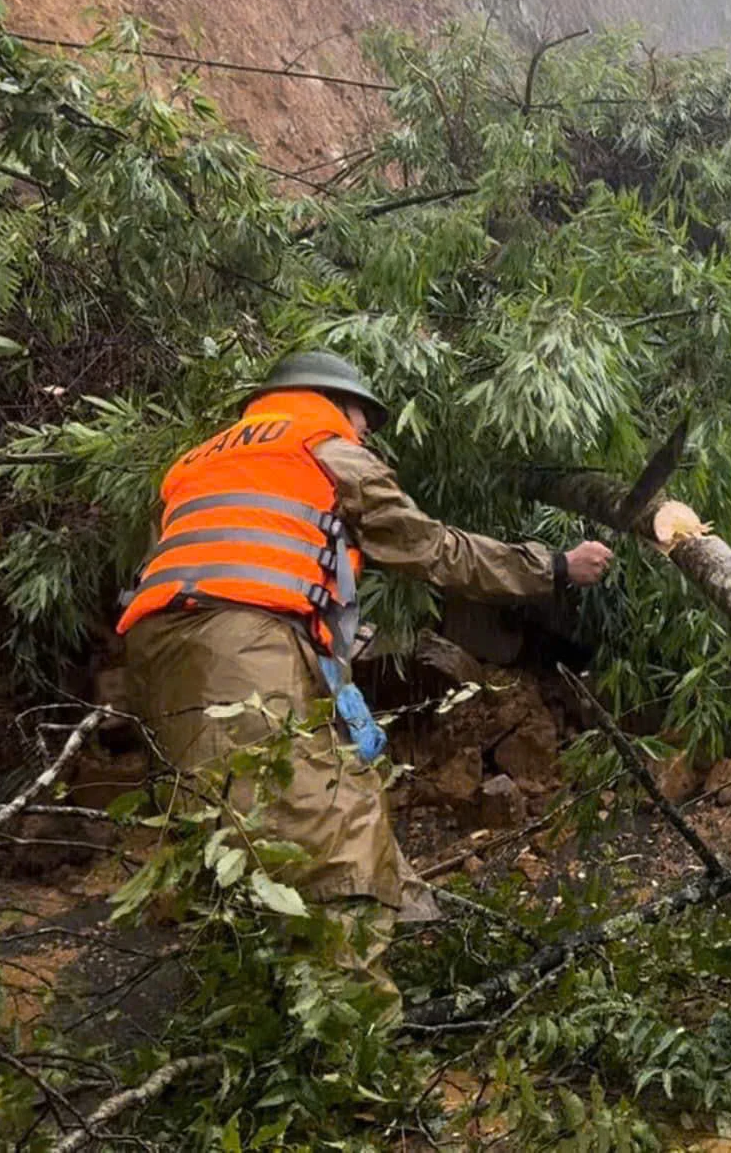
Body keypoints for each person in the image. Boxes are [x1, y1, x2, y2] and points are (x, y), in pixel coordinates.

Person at [117, 350, 615, 1017]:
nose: (366, 431)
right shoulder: (325, 447)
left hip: (159, 652)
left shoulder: (201, 461)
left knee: (231, 823)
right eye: (363, 417)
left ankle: (254, 1003)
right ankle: (353, 1035)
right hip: (241, 648)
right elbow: (432, 548)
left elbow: (236, 557)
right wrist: (553, 566)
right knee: (331, 828)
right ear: (331, 401)